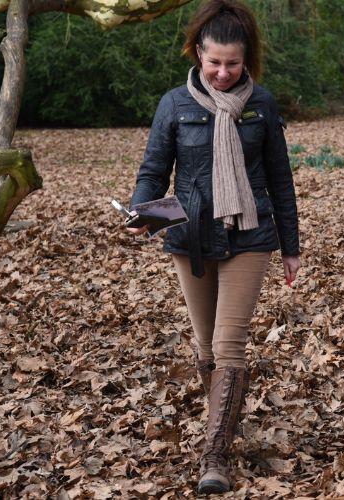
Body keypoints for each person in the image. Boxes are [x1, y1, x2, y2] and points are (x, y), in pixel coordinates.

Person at [126, 0, 299, 493]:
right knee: (205, 349)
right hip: (189, 236)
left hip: (251, 234)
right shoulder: (173, 105)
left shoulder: (261, 104)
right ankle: (223, 424)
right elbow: (154, 171)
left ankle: (215, 458)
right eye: (214, 62)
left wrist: (291, 245)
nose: (223, 73)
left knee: (229, 346)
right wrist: (141, 211)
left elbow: (281, 181)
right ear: (197, 53)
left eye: (233, 63)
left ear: (248, 61)